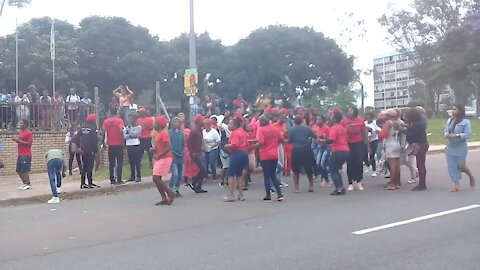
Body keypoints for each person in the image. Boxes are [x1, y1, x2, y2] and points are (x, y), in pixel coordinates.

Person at [444, 104, 475, 192]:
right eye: (452, 109)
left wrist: (457, 135)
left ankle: (471, 177)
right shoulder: (450, 120)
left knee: (461, 166)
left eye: (455, 109)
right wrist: (447, 135)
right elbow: (446, 131)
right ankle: (456, 184)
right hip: (451, 146)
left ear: (460, 111)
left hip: (461, 146)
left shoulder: (465, 121)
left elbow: (468, 134)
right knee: (452, 166)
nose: (453, 111)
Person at [256, 115, 284, 202]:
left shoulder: (261, 129)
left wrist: (254, 146)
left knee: (267, 176)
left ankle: (268, 195)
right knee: (273, 175)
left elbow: (261, 142)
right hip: (274, 154)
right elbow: (281, 139)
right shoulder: (275, 129)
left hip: (265, 155)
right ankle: (279, 194)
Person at [341, 107, 368, 191]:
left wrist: (367, 143)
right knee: (350, 162)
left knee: (359, 161)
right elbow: (341, 133)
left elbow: (364, 132)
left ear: (355, 111)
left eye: (351, 110)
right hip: (348, 143)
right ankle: (350, 182)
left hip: (359, 143)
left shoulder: (360, 120)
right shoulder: (344, 121)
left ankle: (358, 181)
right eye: (348, 110)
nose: (349, 112)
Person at [288, 115, 316, 193]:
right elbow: (314, 135)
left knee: (296, 170)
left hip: (296, 150)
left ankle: (297, 188)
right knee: (308, 169)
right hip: (307, 149)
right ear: (301, 121)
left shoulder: (291, 130)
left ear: (294, 121)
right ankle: (311, 186)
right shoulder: (307, 128)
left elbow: (289, 140)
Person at [223, 117, 249, 202]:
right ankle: (241, 194)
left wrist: (227, 146)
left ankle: (231, 195)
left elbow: (235, 144)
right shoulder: (242, 131)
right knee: (239, 175)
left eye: (230, 124)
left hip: (237, 153)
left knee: (231, 174)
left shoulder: (235, 133)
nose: (229, 125)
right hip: (244, 153)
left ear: (235, 125)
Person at [379, 109, 404, 190]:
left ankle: (392, 184)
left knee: (392, 165)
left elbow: (384, 134)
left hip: (390, 143)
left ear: (389, 115)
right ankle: (397, 183)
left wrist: (380, 133)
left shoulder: (388, 123)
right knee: (397, 165)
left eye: (385, 115)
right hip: (397, 142)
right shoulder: (397, 122)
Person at [152, 116, 175, 205]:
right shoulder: (160, 134)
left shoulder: (164, 133)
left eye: (156, 123)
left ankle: (170, 193)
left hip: (164, 158)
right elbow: (161, 147)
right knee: (157, 179)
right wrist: (154, 150)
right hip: (160, 158)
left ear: (160, 125)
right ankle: (164, 198)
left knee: (156, 179)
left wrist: (158, 154)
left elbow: (169, 147)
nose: (154, 125)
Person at [405, 107, 429, 191]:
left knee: (420, 165)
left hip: (419, 145)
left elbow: (412, 136)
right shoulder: (420, 122)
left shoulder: (416, 124)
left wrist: (403, 130)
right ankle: (422, 184)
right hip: (423, 143)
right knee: (421, 164)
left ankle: (422, 185)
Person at [326, 111, 350, 195]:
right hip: (345, 150)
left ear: (334, 119)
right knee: (336, 170)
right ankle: (340, 187)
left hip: (337, 150)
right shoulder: (342, 127)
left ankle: (339, 188)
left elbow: (331, 139)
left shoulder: (334, 128)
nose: (330, 118)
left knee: (333, 170)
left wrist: (323, 141)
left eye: (331, 117)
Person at [102, 107, 126, 186]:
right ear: (117, 112)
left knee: (111, 163)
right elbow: (121, 130)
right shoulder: (120, 121)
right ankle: (119, 179)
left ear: (110, 112)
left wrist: (104, 143)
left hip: (111, 144)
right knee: (119, 162)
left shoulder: (106, 121)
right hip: (119, 144)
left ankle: (112, 179)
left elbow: (104, 132)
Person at [187, 114, 208, 193]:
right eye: (202, 120)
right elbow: (189, 143)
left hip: (200, 152)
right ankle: (195, 182)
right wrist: (192, 152)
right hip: (196, 154)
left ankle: (198, 186)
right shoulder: (194, 131)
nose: (203, 121)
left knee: (203, 169)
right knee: (203, 168)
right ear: (199, 122)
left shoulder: (200, 131)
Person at [79, 114, 100, 189]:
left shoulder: (82, 128)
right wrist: (96, 150)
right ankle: (90, 183)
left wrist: (80, 147)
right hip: (91, 150)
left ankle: (83, 183)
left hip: (84, 150)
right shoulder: (93, 128)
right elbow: (94, 140)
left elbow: (77, 137)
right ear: (93, 120)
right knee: (90, 167)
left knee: (84, 167)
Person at [14, 119, 33, 191]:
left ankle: (28, 184)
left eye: (21, 123)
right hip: (20, 154)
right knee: (19, 170)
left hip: (26, 154)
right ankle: (25, 183)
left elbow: (29, 143)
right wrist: (17, 141)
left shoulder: (29, 133)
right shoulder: (20, 132)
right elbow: (20, 142)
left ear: (25, 124)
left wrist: (19, 141)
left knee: (25, 170)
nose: (20, 124)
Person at [168, 117, 185, 197]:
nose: (176, 123)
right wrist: (171, 154)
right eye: (174, 122)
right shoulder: (169, 133)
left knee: (180, 174)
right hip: (173, 156)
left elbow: (183, 144)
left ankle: (177, 189)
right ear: (171, 123)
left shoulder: (182, 134)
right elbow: (168, 145)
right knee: (175, 174)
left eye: (178, 122)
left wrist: (183, 152)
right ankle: (170, 189)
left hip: (180, 156)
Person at [312, 116, 331, 187]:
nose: (317, 121)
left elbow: (330, 139)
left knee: (323, 163)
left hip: (327, 147)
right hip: (320, 147)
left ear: (323, 121)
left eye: (319, 119)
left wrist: (322, 140)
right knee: (318, 163)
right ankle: (324, 177)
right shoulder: (318, 128)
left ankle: (326, 179)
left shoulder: (327, 128)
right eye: (317, 119)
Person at [124, 113, 142, 182]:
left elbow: (135, 134)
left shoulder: (138, 127)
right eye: (130, 119)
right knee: (131, 161)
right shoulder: (127, 127)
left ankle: (138, 176)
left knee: (137, 161)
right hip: (129, 145)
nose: (131, 120)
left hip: (136, 145)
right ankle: (132, 176)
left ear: (135, 120)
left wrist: (130, 130)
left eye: (132, 119)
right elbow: (125, 136)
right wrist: (130, 134)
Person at [364, 112, 381, 177]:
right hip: (366, 140)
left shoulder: (375, 123)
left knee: (372, 155)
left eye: (369, 117)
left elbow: (379, 129)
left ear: (372, 117)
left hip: (374, 140)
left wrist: (372, 130)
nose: (368, 119)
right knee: (364, 155)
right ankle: (369, 165)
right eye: (367, 117)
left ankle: (374, 170)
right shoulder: (364, 123)